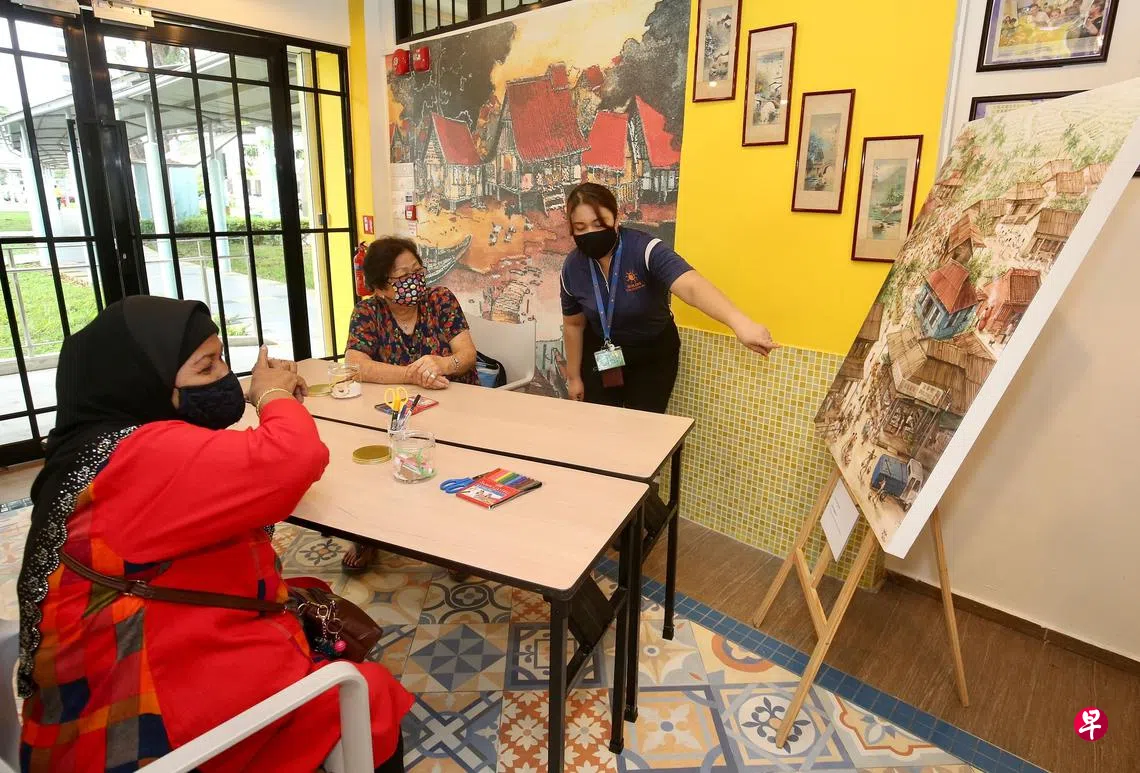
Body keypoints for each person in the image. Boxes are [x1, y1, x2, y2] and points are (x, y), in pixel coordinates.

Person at [17, 296, 411, 773]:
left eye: (222, 359)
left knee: (309, 597)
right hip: (149, 716)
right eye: (207, 367)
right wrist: (272, 395)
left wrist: (257, 394)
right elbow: (295, 458)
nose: (225, 376)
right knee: (370, 696)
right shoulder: (140, 458)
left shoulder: (95, 447)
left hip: (110, 681)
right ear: (145, 381)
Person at [560, 182, 779, 413]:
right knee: (599, 419)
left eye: (599, 223)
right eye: (580, 227)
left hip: (652, 351)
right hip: (604, 353)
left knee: (643, 424)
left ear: (616, 219)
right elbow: (574, 325)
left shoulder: (645, 249)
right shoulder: (572, 267)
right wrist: (574, 377)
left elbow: (691, 285)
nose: (590, 233)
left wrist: (739, 322)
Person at [342, 236, 477, 572]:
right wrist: (411, 375)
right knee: (368, 460)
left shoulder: (440, 299)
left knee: (457, 464)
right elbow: (355, 365)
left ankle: (458, 542)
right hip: (399, 412)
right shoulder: (368, 312)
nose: (414, 281)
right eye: (402, 277)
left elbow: (467, 355)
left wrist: (442, 363)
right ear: (380, 288)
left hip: (456, 404)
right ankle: (367, 534)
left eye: (417, 271)